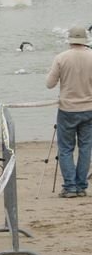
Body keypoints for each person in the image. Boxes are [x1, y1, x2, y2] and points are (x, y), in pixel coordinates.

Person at [46, 26, 92, 198]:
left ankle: (70, 186)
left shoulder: (61, 58)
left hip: (67, 109)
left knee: (65, 148)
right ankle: (81, 186)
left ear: (70, 40)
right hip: (89, 108)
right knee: (86, 147)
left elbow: (49, 84)